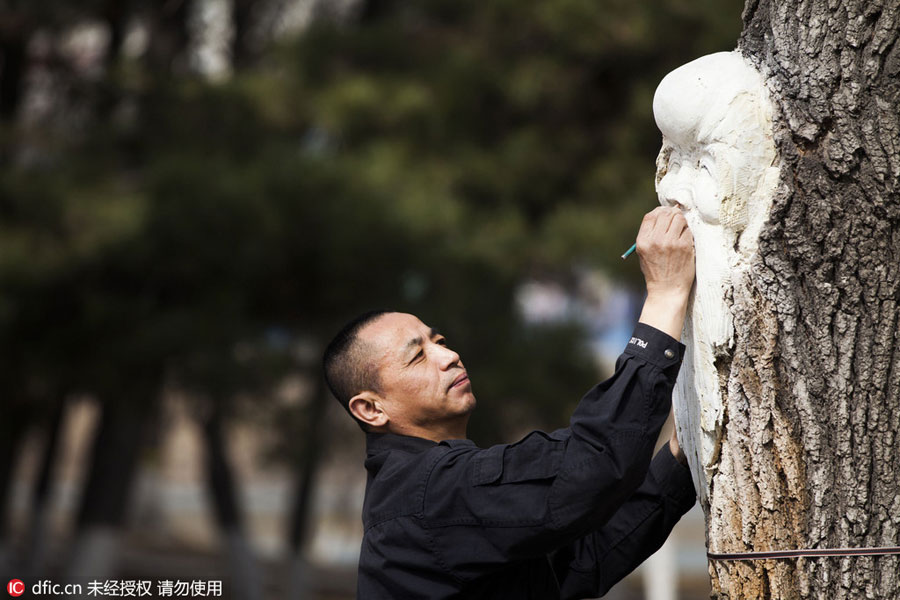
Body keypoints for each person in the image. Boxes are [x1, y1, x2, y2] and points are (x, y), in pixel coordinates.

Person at [323, 206, 697, 599]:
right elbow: (593, 465)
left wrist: (681, 457)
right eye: (417, 356)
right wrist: (665, 296)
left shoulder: (422, 491)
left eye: (440, 341)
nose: (447, 357)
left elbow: (579, 563)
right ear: (371, 409)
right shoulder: (430, 490)